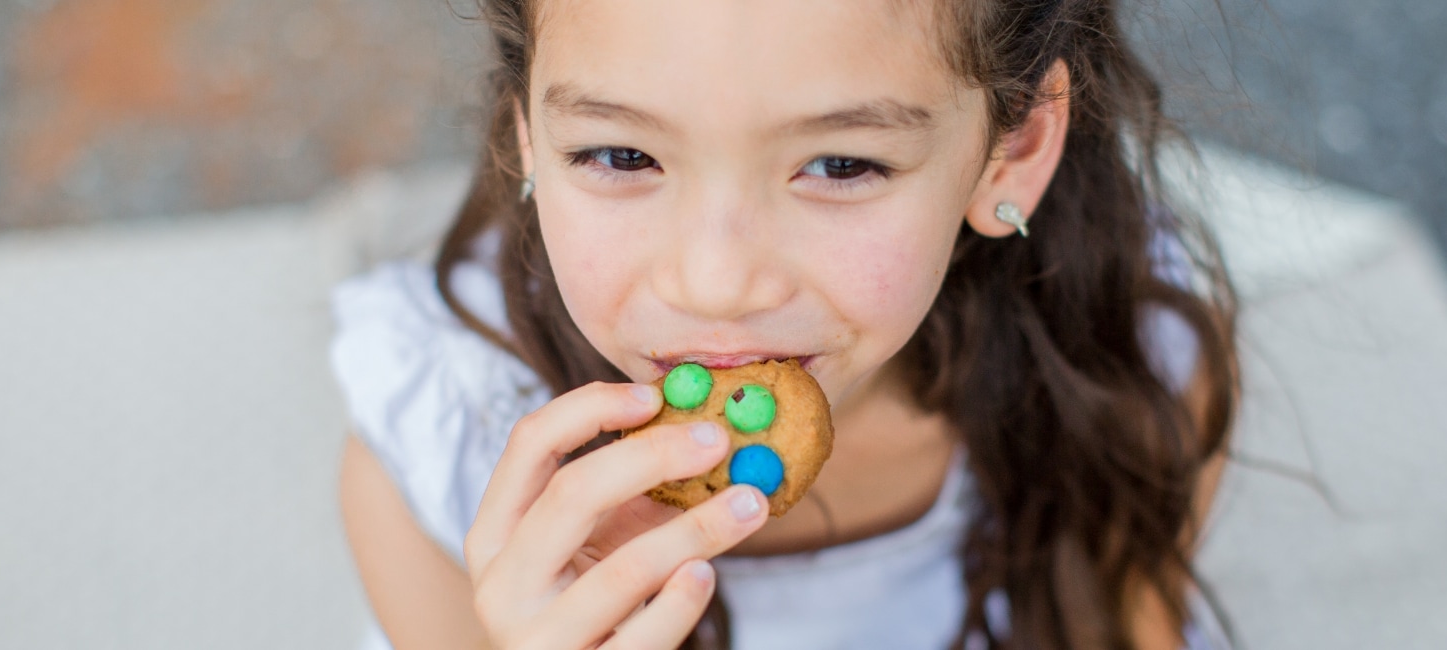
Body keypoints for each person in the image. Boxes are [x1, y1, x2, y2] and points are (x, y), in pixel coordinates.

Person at [330, 0, 1239, 647]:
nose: (717, 283)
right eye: (620, 154)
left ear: (1015, 149)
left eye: (840, 163)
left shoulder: (1127, 376)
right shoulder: (436, 474)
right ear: (526, 128)